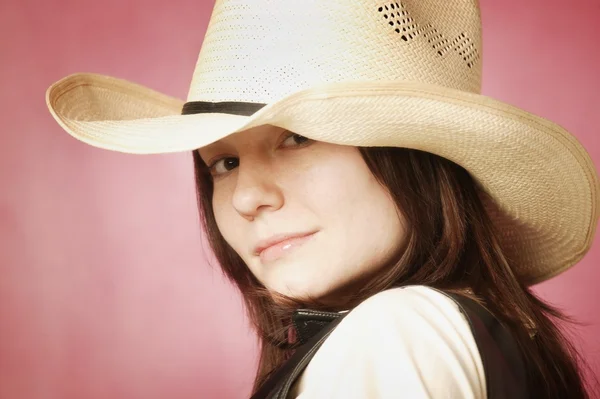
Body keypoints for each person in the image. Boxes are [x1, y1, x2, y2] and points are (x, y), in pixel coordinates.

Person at [45, 0, 599, 397]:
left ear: (412, 157)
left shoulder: (397, 334)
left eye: (297, 138)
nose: (247, 198)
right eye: (225, 163)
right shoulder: (468, 329)